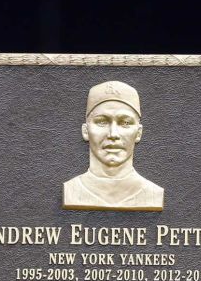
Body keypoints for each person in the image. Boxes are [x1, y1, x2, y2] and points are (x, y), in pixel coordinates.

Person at [62, 80, 164, 211]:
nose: (113, 134)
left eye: (125, 123)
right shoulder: (72, 191)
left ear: (138, 133)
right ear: (86, 131)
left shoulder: (153, 194)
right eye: (102, 122)